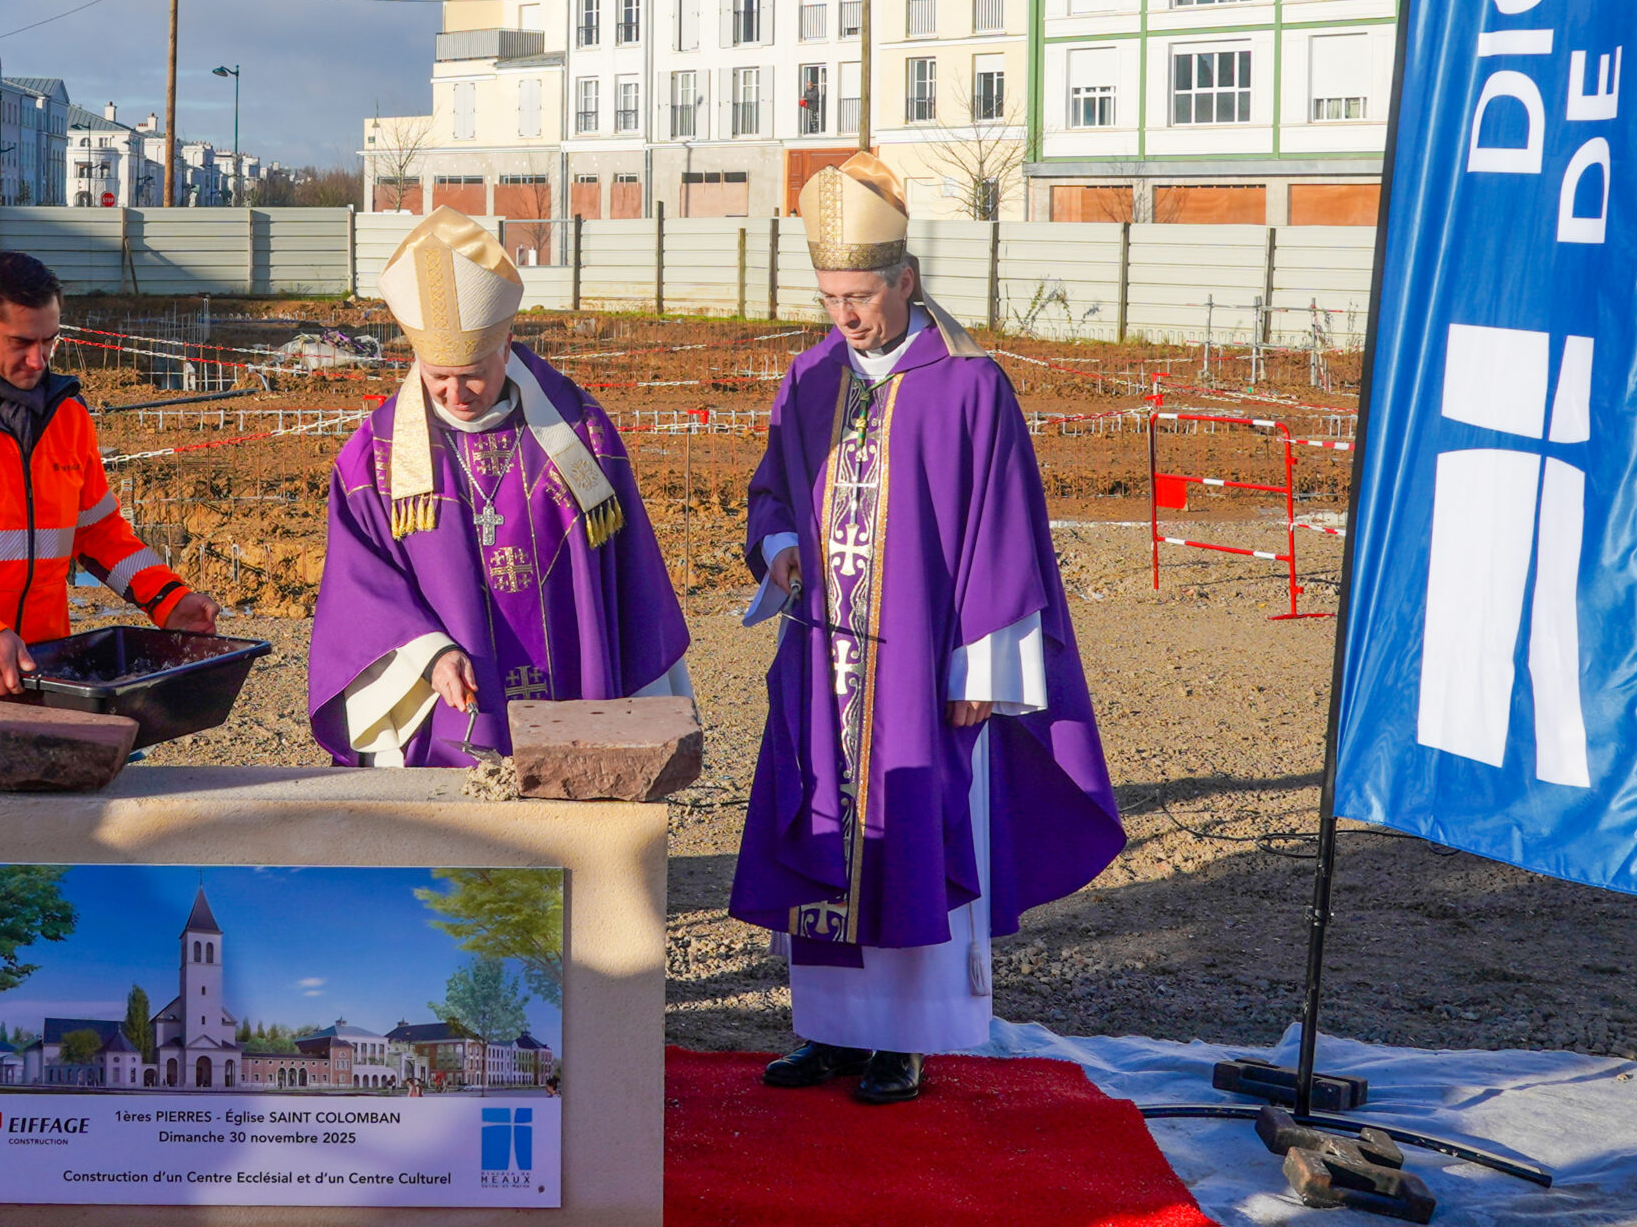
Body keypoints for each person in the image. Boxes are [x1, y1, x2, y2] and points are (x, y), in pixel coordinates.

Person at [732, 154, 1122, 1106]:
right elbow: (774, 486)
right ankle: (829, 1031)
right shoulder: (809, 376)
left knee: (911, 830)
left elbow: (1005, 532)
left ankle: (904, 1040)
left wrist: (985, 661)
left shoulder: (970, 386)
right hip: (825, 656)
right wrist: (780, 543)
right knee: (826, 824)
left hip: (922, 665)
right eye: (829, 297)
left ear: (904, 279)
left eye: (859, 296)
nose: (844, 317)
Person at [309, 208, 689, 766]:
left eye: (472, 374)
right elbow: (360, 585)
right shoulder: (377, 458)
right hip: (451, 704)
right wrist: (427, 653)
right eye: (438, 377)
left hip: (569, 687)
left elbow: (627, 575)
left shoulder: (578, 435)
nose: (456, 393)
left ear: (506, 347)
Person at [0, 250, 217, 761]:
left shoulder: (65, 415)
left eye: (49, 341)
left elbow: (98, 533)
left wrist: (166, 597)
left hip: (40, 679)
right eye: (21, 342)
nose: (38, 360)